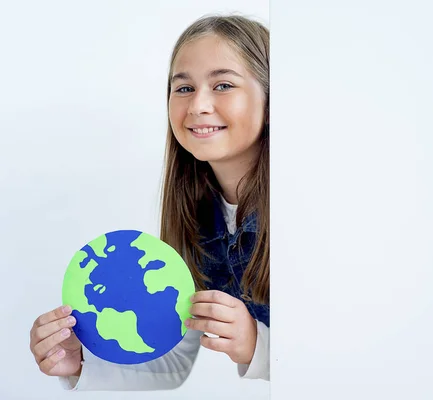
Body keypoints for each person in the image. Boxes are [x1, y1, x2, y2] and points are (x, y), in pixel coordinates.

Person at [28, 14, 270, 390]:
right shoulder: (195, 216)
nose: (199, 105)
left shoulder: (302, 210)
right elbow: (172, 358)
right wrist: (78, 363)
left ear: (272, 99)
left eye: (223, 85)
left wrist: (258, 344)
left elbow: (342, 346)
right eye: (184, 88)